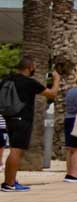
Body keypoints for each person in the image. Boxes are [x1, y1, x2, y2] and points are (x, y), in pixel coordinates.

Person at [0, 59, 54, 191]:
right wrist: (56, 79)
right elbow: (52, 94)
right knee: (16, 151)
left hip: (9, 117)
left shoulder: (7, 79)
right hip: (22, 119)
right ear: (29, 67)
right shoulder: (28, 82)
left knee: (14, 149)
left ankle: (12, 180)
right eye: (33, 66)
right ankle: (9, 184)